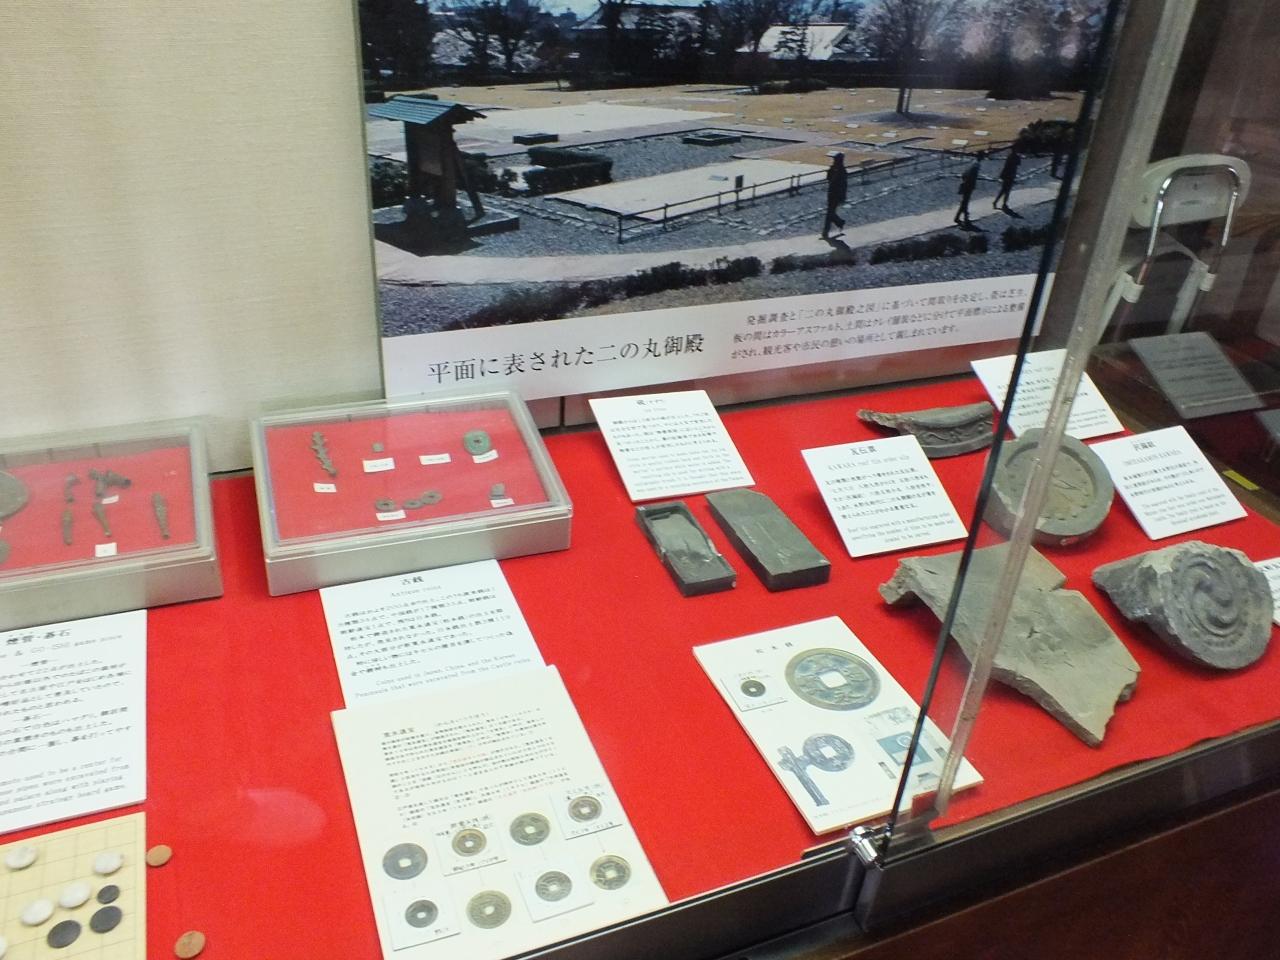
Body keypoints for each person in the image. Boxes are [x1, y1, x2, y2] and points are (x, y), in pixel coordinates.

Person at [821, 153, 848, 239]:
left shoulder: (842, 171)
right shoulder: (834, 169)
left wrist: (842, 196)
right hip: (831, 193)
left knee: (830, 212)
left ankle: (826, 231)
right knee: (830, 212)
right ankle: (838, 223)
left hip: (837, 195)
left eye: (835, 159)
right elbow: (828, 178)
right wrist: (831, 170)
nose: (834, 161)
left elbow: (843, 185)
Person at [954, 153, 983, 227]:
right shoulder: (976, 166)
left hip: (967, 185)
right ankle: (964, 218)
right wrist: (972, 185)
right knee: (965, 202)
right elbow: (972, 177)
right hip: (969, 186)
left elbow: (964, 174)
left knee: (964, 202)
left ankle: (960, 217)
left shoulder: (973, 163)